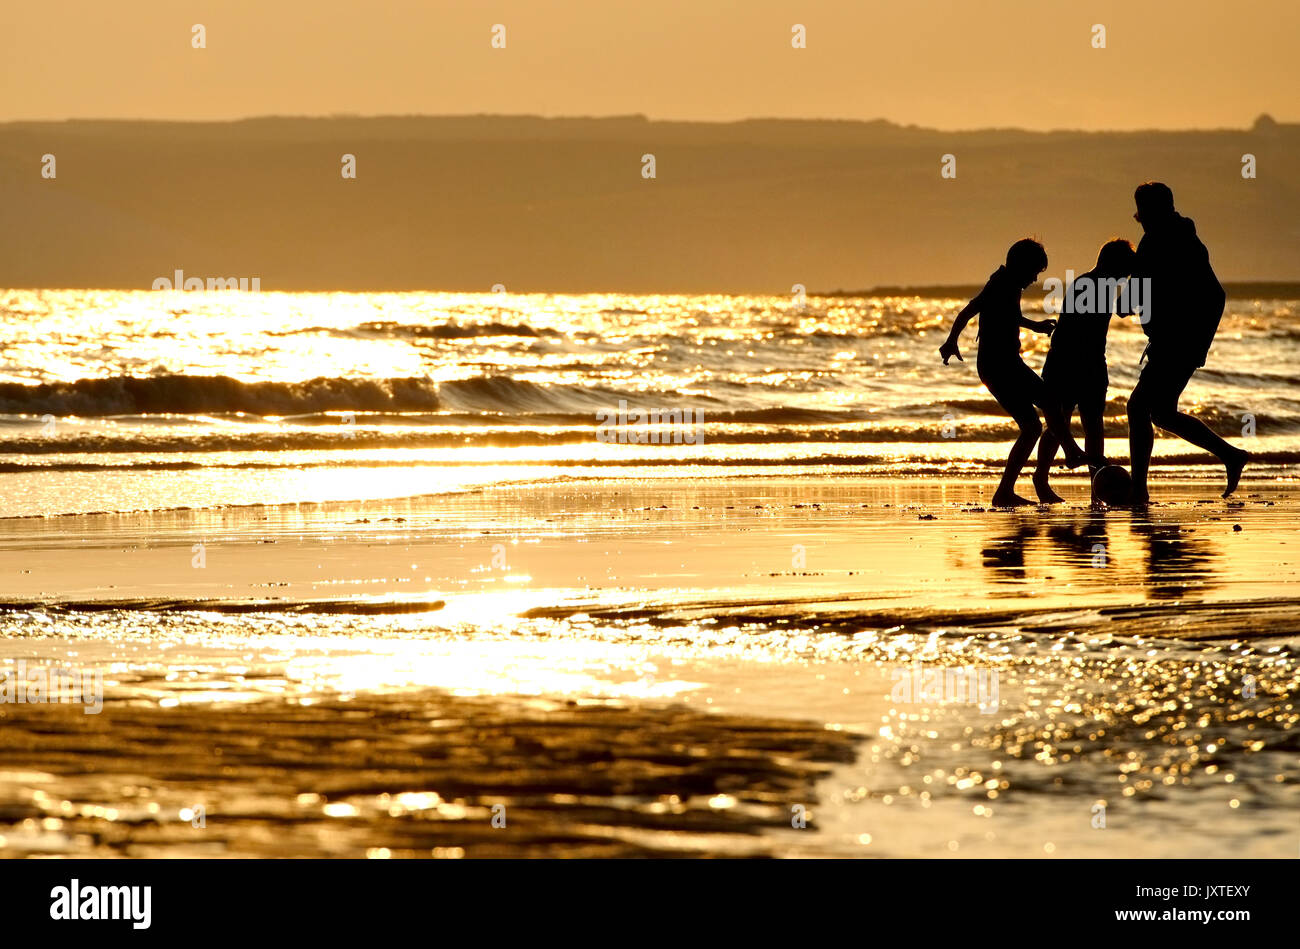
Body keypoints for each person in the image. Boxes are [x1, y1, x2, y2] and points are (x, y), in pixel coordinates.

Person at [940, 238, 1090, 507]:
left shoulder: (1008, 284)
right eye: (1033, 272)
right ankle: (1071, 452)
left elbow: (1006, 315)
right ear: (1021, 265)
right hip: (1000, 365)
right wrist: (952, 341)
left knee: (1032, 427)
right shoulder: (1001, 283)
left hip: (1000, 364)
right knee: (1050, 401)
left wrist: (1034, 326)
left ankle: (1004, 492)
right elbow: (968, 311)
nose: (1034, 278)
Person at [1126, 182, 1248, 503]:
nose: (1143, 219)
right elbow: (1215, 295)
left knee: (1138, 408)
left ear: (1150, 211)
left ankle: (1138, 490)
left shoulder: (1157, 241)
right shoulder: (1186, 238)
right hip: (1183, 342)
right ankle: (1231, 455)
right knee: (1162, 414)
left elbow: (1130, 300)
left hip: (1175, 343)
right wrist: (1199, 340)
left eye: (1144, 212)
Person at [1032, 238, 1137, 503]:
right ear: (1112, 264)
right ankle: (1041, 478)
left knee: (1093, 426)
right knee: (1060, 422)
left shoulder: (1106, 286)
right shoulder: (1088, 285)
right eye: (1125, 268)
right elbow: (1073, 332)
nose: (1126, 274)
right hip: (1067, 362)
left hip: (1091, 363)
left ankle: (1095, 488)